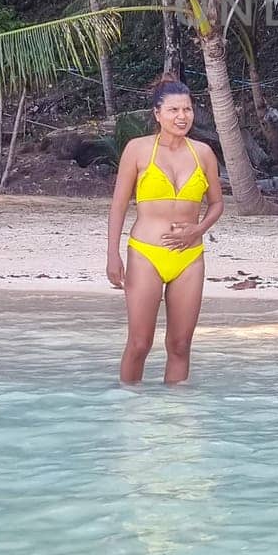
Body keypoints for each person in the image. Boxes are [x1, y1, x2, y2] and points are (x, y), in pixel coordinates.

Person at [106, 82, 224, 384]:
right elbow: (118, 205)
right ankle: (128, 409)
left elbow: (217, 204)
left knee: (180, 345)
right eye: (173, 110)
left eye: (187, 109)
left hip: (190, 257)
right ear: (157, 114)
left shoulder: (204, 153)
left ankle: (176, 416)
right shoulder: (137, 149)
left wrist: (197, 229)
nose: (182, 116)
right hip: (146, 253)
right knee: (139, 344)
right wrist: (112, 254)